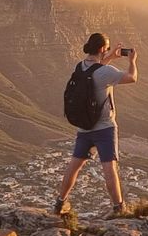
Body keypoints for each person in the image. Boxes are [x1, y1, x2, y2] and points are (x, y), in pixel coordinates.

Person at [53, 32, 138, 217]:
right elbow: (132, 78)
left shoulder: (80, 67)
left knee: (74, 166)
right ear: (101, 49)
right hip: (104, 128)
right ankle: (119, 208)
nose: (108, 50)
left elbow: (95, 71)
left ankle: (60, 203)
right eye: (107, 48)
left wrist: (110, 57)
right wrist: (132, 60)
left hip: (84, 127)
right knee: (109, 168)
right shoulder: (107, 72)